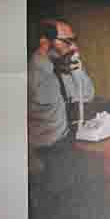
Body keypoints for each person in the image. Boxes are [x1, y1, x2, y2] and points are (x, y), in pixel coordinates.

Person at [28, 18, 95, 149]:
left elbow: (87, 96)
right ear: (44, 43)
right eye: (68, 42)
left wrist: (77, 71)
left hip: (66, 142)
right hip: (44, 150)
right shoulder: (33, 75)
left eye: (74, 41)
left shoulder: (59, 65)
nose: (74, 47)